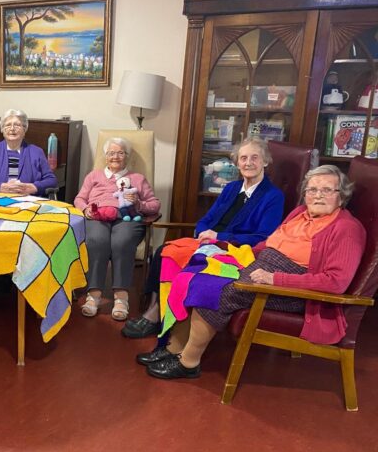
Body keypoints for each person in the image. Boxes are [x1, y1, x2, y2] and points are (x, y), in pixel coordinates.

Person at [140, 165, 366, 380]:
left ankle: (188, 362)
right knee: (191, 274)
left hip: (291, 291)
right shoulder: (300, 213)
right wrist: (232, 251)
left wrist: (275, 279)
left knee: (210, 289)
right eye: (313, 189)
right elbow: (269, 245)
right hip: (259, 269)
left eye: (327, 190)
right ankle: (173, 348)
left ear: (341, 196)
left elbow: (335, 282)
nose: (318, 196)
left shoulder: (346, 229)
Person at [123, 136, 284, 338]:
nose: (248, 163)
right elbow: (206, 219)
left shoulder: (273, 196)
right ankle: (156, 310)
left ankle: (162, 318)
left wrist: (219, 236)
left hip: (235, 248)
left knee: (187, 261)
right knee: (164, 252)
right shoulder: (231, 188)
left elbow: (264, 236)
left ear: (265, 161)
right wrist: (203, 233)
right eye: (243, 158)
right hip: (208, 241)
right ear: (237, 162)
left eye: (255, 158)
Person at [74, 136, 160, 320]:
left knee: (121, 242)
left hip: (127, 217)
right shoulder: (94, 175)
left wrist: (139, 203)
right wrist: (85, 209)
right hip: (98, 217)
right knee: (97, 240)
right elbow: (79, 198)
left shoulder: (137, 178)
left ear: (127, 156)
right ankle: (94, 294)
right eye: (111, 153)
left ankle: (121, 296)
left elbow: (154, 204)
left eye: (120, 152)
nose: (115, 156)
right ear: (105, 156)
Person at [0, 109, 57, 196]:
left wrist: (34, 187)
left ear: (24, 129)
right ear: (2, 130)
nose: (12, 129)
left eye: (17, 125)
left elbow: (51, 180)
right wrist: (0, 187)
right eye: (8, 125)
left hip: (27, 203)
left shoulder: (37, 152)